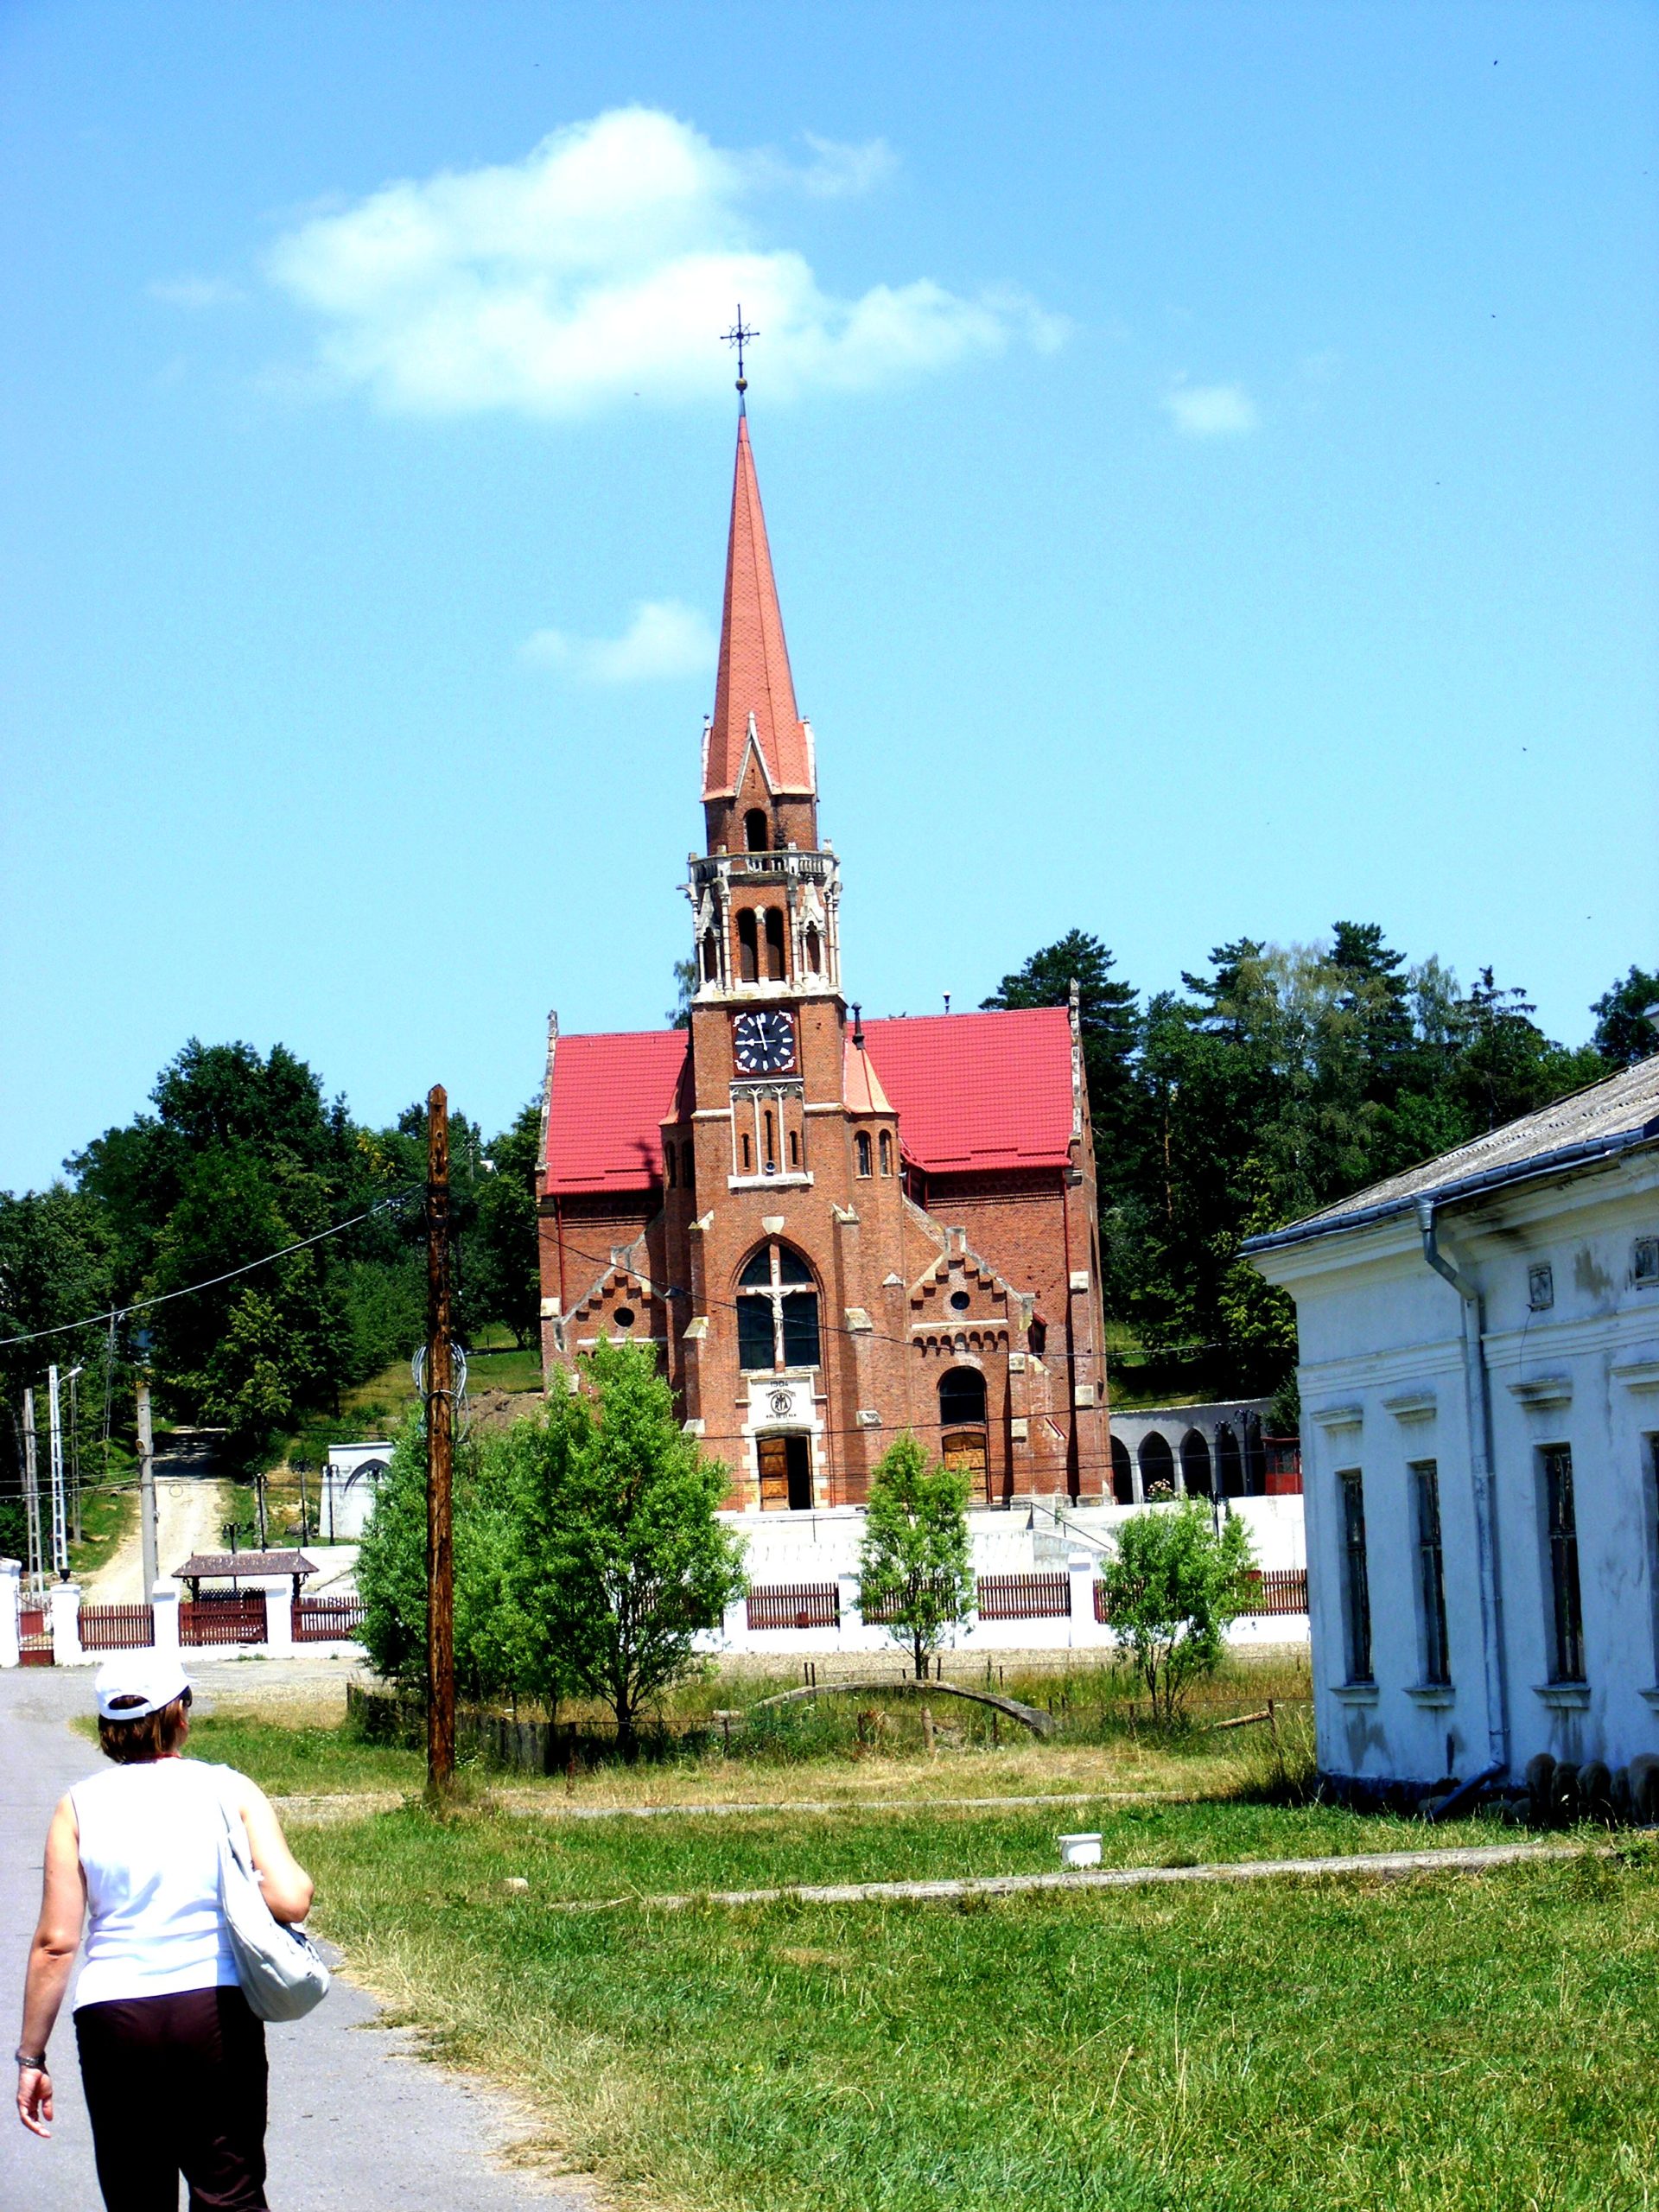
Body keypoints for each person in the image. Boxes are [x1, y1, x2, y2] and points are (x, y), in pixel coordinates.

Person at [15, 1650, 315, 2210]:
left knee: (137, 2196)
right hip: (214, 2009)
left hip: (114, 2018)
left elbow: (56, 1944)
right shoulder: (229, 1790)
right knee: (230, 2192)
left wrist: (31, 2058)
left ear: (108, 1727)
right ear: (179, 1715)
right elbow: (292, 1898)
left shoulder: (77, 1807)